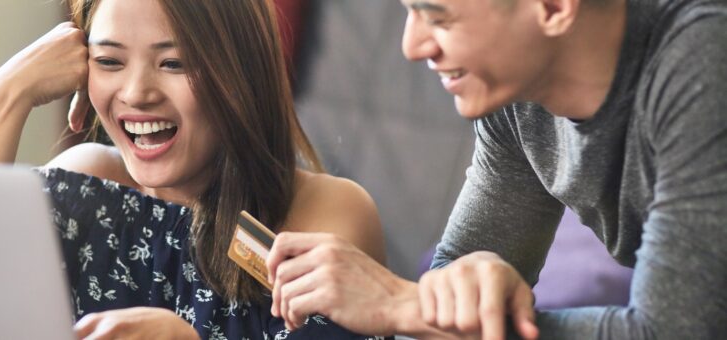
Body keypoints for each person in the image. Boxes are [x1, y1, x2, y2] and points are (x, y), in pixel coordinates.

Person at [267, 0, 727, 338]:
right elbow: (441, 313)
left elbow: (675, 331)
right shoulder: (520, 105)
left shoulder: (703, 58)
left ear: (553, 7)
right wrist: (475, 280)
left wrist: (402, 303)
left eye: (437, 16)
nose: (412, 45)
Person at [0, 0, 387, 339]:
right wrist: (6, 96)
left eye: (174, 63)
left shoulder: (327, 216)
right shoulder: (84, 185)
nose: (137, 93)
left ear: (241, 74)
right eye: (109, 62)